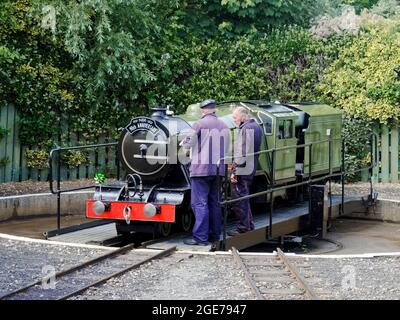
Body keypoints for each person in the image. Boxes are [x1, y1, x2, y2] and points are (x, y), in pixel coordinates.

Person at [181, 99, 229, 246]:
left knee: (200, 203)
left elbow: (188, 143)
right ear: (214, 110)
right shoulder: (224, 125)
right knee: (215, 203)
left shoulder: (199, 124)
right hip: (218, 170)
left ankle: (200, 238)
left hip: (201, 169)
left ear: (202, 110)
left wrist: (183, 144)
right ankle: (215, 235)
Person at [228, 106, 263, 236]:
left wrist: (234, 171)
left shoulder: (246, 128)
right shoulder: (257, 127)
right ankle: (248, 224)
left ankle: (244, 227)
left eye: (235, 117)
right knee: (244, 196)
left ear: (243, 116)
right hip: (251, 167)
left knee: (239, 198)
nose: (234, 120)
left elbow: (242, 153)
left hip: (243, 169)